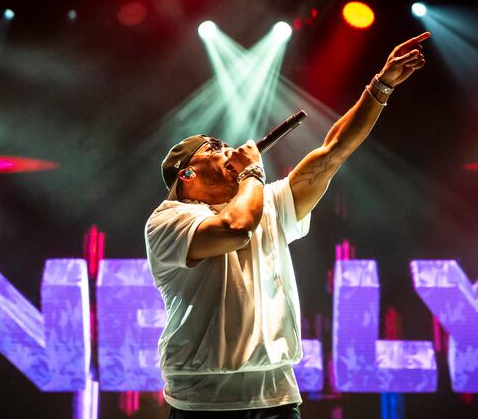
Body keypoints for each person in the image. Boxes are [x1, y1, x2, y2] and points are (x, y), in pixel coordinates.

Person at [145, 32, 431, 418]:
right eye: (215, 147)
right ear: (188, 173)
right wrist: (252, 173)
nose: (229, 149)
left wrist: (380, 86)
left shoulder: (262, 198)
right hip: (204, 400)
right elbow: (235, 229)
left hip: (276, 394)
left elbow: (332, 153)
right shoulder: (169, 220)